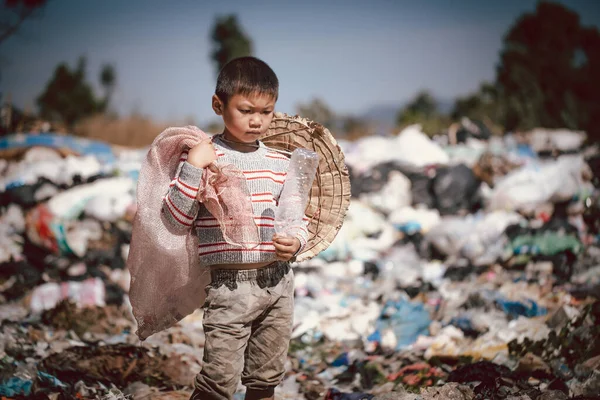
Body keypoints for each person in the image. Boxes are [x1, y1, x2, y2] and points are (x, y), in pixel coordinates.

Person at [161, 56, 309, 400]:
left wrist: (297, 243)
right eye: (246, 110)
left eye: (267, 111)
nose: (257, 120)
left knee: (265, 379)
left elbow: (298, 217)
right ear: (218, 105)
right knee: (219, 382)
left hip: (279, 283)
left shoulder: (280, 162)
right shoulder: (205, 156)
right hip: (230, 290)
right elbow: (174, 220)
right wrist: (195, 167)